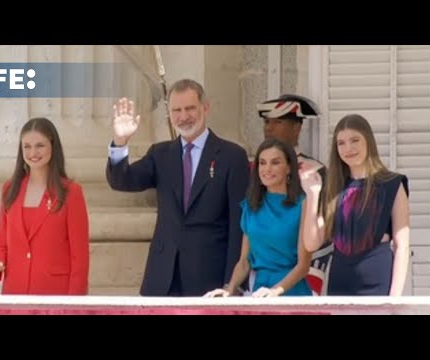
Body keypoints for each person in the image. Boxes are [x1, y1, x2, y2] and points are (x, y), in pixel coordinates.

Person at [106, 79, 250, 296]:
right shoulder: (161, 154)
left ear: (205, 107)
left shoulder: (232, 156)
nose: (183, 117)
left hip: (209, 278)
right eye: (177, 110)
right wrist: (120, 143)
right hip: (163, 278)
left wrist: (232, 284)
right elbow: (122, 181)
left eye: (190, 108)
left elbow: (238, 224)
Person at [300, 114, 410, 295]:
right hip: (339, 280)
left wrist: (394, 299)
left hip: (378, 280)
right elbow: (312, 244)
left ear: (368, 141)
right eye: (341, 143)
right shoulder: (332, 186)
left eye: (354, 140)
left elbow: (402, 246)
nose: (348, 148)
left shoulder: (393, 184)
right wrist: (313, 194)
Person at [0, 117, 90, 295]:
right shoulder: (9, 189)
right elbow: (2, 242)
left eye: (40, 145)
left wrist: (75, 304)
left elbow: (80, 256)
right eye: (26, 146)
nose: (33, 152)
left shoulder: (71, 192)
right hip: (15, 292)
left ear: (53, 146)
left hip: (56, 296)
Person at [204, 138, 312, 297]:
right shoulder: (251, 205)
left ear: (289, 168)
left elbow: (303, 266)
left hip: (291, 292)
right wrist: (229, 289)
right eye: (262, 163)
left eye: (275, 162)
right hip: (260, 294)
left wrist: (275, 291)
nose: (267, 169)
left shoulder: (303, 204)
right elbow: (244, 262)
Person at [256, 94, 332, 295]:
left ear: (296, 128)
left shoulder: (315, 171)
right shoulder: (255, 170)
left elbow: (326, 228)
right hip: (263, 270)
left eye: (277, 122)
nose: (268, 128)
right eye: (266, 122)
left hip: (307, 270)